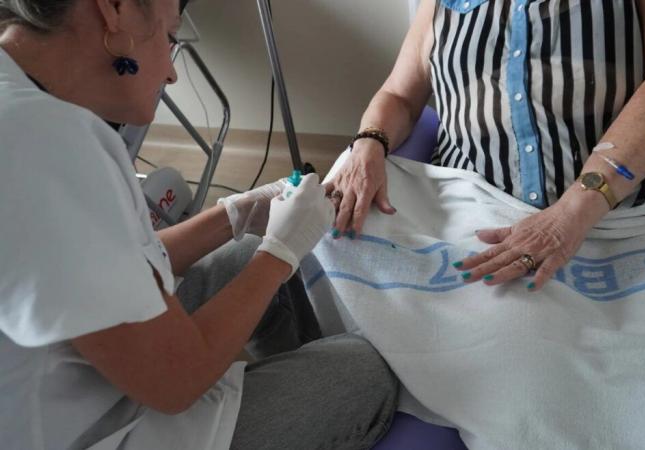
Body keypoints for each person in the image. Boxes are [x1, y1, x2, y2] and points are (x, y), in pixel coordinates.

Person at [0, 1, 398, 449]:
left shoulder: (22, 104)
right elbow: (176, 380)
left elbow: (113, 264)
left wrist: (234, 215)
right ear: (113, 9)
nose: (171, 75)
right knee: (365, 371)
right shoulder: (47, 147)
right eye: (170, 36)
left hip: (93, 370)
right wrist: (281, 253)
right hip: (90, 428)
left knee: (249, 252)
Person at [326, 0, 645, 290]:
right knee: (321, 247)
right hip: (471, 211)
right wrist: (368, 144)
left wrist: (572, 213)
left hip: (632, 214)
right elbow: (400, 95)